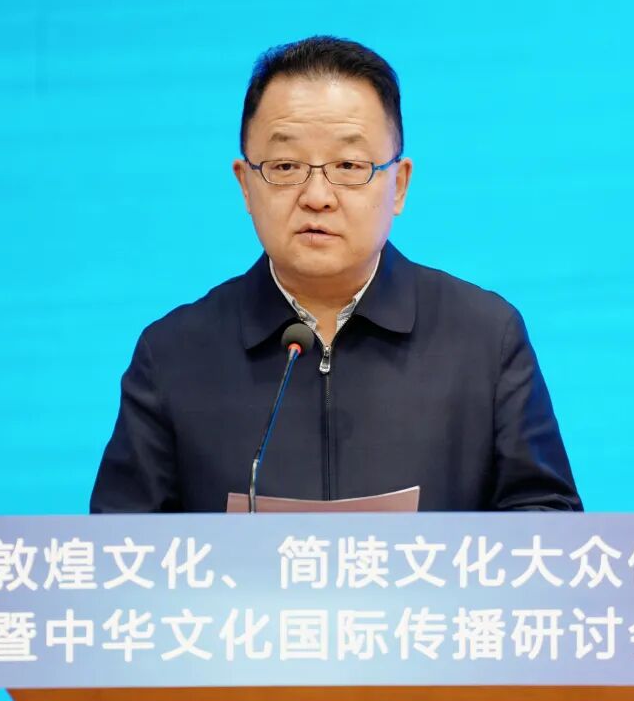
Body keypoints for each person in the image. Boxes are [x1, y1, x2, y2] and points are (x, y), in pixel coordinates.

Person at [90, 36, 582, 513]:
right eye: (286, 166)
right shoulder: (174, 355)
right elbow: (117, 551)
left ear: (399, 185)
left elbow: (548, 523)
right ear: (245, 184)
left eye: (349, 165)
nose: (317, 196)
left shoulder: (484, 339)